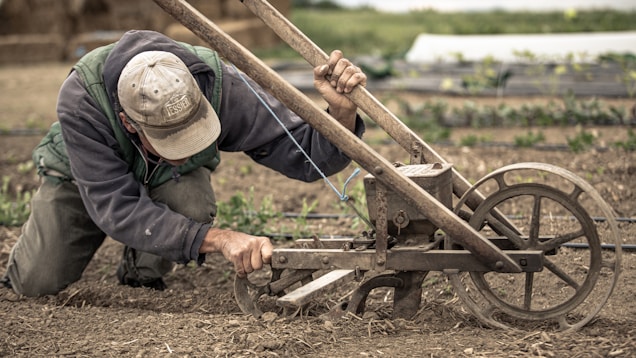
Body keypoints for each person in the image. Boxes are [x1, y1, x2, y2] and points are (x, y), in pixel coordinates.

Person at [1, 30, 366, 297]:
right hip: (84, 177)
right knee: (37, 281)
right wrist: (220, 239)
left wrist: (342, 114)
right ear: (129, 122)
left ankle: (140, 274)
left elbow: (305, 157)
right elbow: (114, 206)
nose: (185, 150)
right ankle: (31, 257)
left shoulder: (219, 85)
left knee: (191, 202)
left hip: (167, 178)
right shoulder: (83, 101)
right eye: (170, 140)